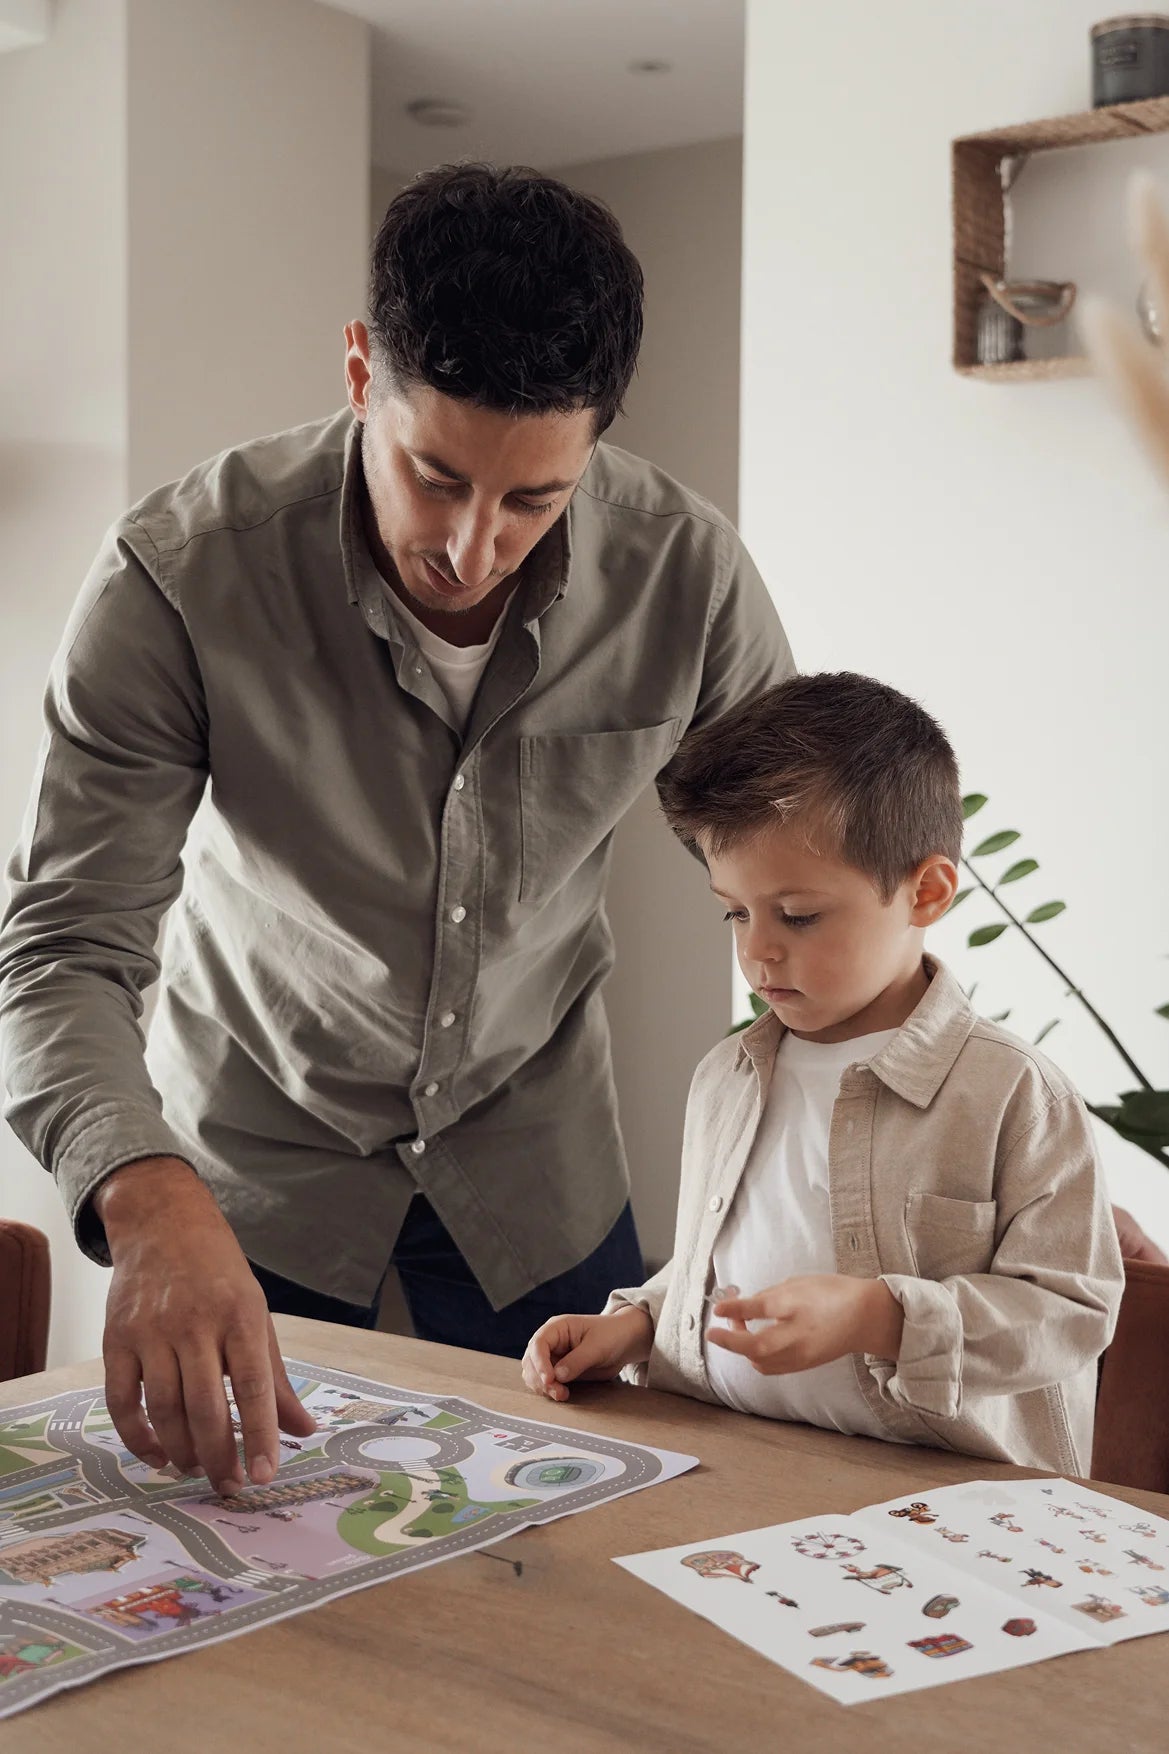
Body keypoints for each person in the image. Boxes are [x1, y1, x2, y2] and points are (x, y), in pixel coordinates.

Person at [0, 164, 793, 1498]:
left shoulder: (689, 576)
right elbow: (64, 945)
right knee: (239, 1566)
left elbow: (813, 892)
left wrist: (941, 1169)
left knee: (573, 1563)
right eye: (434, 476)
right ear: (361, 368)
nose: (472, 547)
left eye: (533, 499)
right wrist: (143, 1191)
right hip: (247, 1161)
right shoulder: (176, 575)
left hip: (537, 1156)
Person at [521, 673, 1125, 1472]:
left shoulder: (1013, 1095)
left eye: (797, 915)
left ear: (927, 891)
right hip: (735, 1468)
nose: (755, 950)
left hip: (945, 1506)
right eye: (733, 911)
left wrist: (882, 1316)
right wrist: (636, 1324)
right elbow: (722, 1263)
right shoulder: (726, 1078)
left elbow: (1070, 1314)